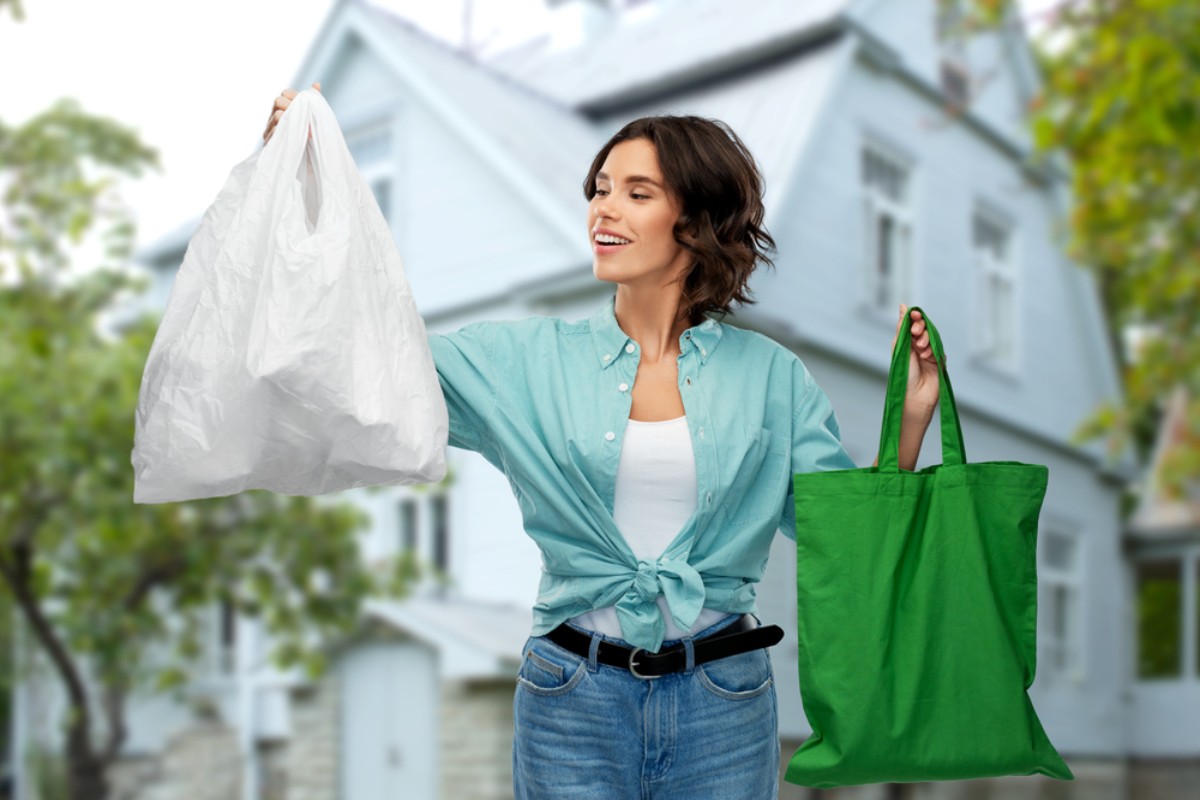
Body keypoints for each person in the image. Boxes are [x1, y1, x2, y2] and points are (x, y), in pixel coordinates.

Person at [263, 84, 940, 799]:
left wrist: (912, 419)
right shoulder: (521, 362)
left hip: (725, 698)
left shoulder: (773, 377)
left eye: (637, 193)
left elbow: (848, 533)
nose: (603, 210)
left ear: (697, 219)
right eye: (600, 189)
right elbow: (364, 355)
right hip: (570, 696)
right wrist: (307, 192)